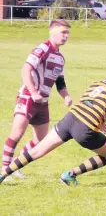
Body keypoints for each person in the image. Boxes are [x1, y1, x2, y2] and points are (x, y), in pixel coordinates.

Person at [0, 62, 106, 185]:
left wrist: (99, 121)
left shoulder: (99, 83)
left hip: (70, 118)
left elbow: (88, 101)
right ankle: (70, 175)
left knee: (37, 151)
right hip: (85, 128)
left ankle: (3, 174)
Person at [2, 19, 72, 180]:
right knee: (17, 133)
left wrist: (66, 96)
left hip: (43, 103)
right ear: (52, 32)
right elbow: (26, 69)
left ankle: (17, 165)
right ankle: (4, 170)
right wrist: (33, 92)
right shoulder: (42, 49)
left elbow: (59, 81)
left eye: (68, 33)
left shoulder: (60, 58)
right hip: (27, 97)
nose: (66, 36)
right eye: (63, 32)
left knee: (40, 141)